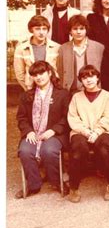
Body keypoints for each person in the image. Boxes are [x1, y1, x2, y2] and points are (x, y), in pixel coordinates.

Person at [16, 61, 70, 199]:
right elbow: (21, 118)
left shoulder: (62, 94)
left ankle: (57, 182)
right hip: (33, 133)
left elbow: (67, 117)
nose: (39, 77)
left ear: (49, 73)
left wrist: (54, 130)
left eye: (42, 73)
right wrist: (28, 131)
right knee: (25, 151)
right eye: (35, 75)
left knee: (49, 150)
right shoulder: (26, 95)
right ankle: (34, 185)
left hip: (55, 134)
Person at [67, 65, 109, 203]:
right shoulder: (76, 97)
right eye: (84, 77)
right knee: (78, 151)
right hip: (80, 131)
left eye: (91, 76)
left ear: (97, 78)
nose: (88, 80)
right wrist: (85, 131)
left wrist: (97, 131)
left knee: (104, 150)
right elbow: (72, 117)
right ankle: (74, 187)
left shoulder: (107, 96)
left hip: (103, 130)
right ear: (81, 81)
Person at [56, 15, 104, 93]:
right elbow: (60, 72)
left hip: (93, 91)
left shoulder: (99, 47)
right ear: (70, 31)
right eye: (75, 29)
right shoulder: (63, 49)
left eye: (81, 28)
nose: (78, 32)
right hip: (70, 92)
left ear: (86, 30)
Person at [14, 15, 60, 91]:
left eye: (44, 29)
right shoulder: (21, 49)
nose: (41, 32)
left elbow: (60, 70)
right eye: (37, 29)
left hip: (53, 88)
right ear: (31, 30)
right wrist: (28, 89)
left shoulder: (57, 47)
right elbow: (19, 74)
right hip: (31, 88)